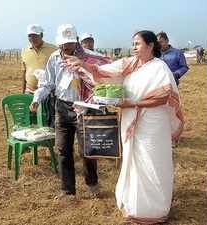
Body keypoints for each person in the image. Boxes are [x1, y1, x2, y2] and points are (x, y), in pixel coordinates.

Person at [64, 30, 184, 224]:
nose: (133, 47)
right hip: (130, 119)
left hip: (152, 123)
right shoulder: (131, 64)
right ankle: (134, 205)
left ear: (151, 45)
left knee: (151, 161)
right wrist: (82, 64)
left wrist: (133, 104)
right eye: (133, 43)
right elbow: (105, 71)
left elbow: (163, 96)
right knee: (132, 160)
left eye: (137, 43)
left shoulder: (159, 68)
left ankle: (154, 210)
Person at [29, 24, 111, 198]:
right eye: (63, 45)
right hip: (62, 107)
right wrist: (37, 98)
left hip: (84, 108)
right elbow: (48, 83)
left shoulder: (89, 58)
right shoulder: (54, 59)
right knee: (63, 150)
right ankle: (67, 191)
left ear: (76, 41)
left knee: (87, 150)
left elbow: (107, 71)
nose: (66, 48)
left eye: (70, 44)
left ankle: (92, 184)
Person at [21, 24, 57, 127]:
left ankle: (49, 140)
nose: (32, 38)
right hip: (29, 91)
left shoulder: (53, 50)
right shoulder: (24, 51)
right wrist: (23, 91)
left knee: (47, 118)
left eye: (35, 36)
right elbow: (23, 72)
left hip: (48, 92)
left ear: (41, 35)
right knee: (31, 119)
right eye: (30, 36)